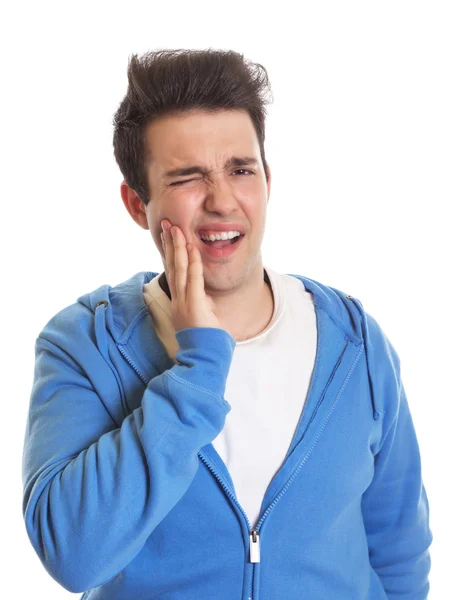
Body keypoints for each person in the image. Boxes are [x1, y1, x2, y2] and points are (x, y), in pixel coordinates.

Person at [21, 48, 433, 599]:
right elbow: (72, 553)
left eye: (241, 170)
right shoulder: (84, 345)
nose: (221, 201)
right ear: (136, 203)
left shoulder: (354, 343)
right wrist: (199, 367)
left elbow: (399, 551)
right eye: (188, 178)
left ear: (267, 178)